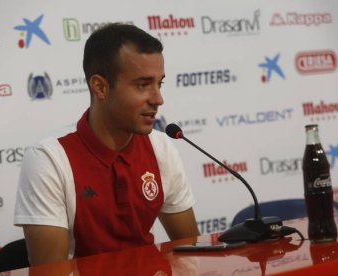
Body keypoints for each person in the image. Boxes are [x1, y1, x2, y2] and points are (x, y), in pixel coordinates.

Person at [14, 23, 199, 266]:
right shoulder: (49, 159)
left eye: (159, 83)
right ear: (100, 87)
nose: (158, 99)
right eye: (143, 85)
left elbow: (189, 251)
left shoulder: (162, 148)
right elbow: (51, 272)